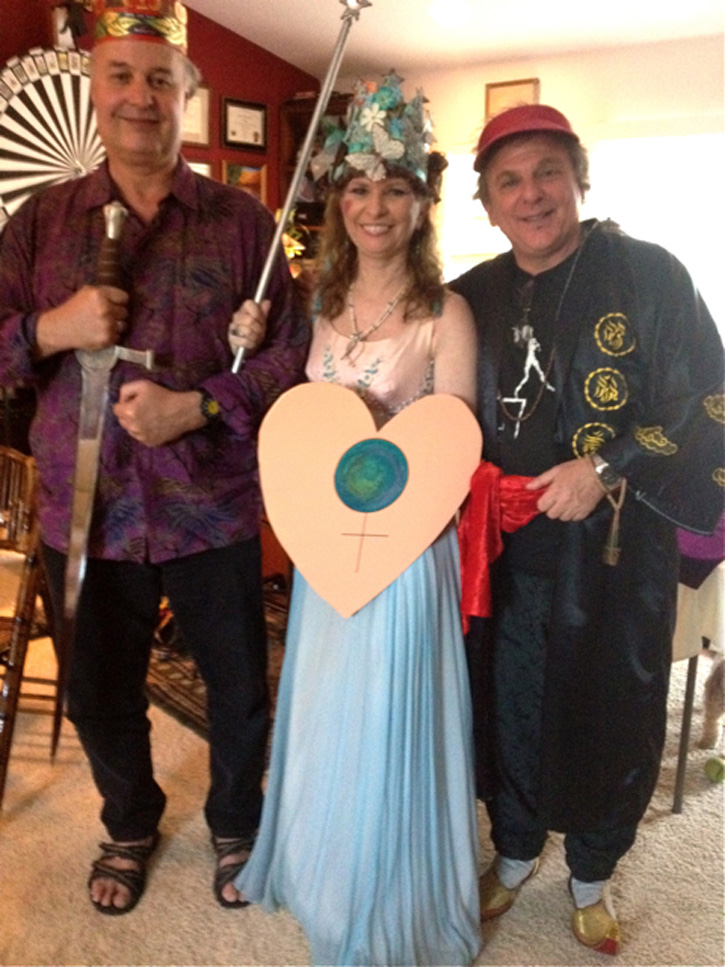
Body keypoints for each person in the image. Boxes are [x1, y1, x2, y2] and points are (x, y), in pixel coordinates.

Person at [0, 0, 308, 915]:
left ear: (188, 94)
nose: (140, 96)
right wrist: (52, 328)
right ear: (94, 88)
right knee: (97, 692)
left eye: (160, 80)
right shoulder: (40, 224)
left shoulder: (243, 224)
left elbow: (292, 355)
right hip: (85, 511)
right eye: (122, 76)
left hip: (209, 503)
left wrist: (200, 404)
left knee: (239, 689)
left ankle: (235, 821)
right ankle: (130, 820)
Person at [451, 103, 724, 955]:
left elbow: (707, 397)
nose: (530, 194)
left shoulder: (649, 273)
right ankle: (513, 851)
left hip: (615, 548)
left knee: (612, 709)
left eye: (547, 172)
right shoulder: (472, 295)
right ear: (487, 205)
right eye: (508, 181)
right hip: (505, 551)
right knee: (509, 704)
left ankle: (592, 876)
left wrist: (603, 465)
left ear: (579, 179)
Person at [229, 74, 482, 966]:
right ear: (338, 200)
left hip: (406, 550)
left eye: (396, 188)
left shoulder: (445, 313)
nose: (375, 206)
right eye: (360, 186)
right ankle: (318, 866)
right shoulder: (313, 304)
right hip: (326, 550)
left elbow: (451, 444)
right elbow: (287, 417)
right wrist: (249, 334)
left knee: (386, 717)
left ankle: (383, 892)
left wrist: (376, 436)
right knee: (326, 711)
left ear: (421, 203)